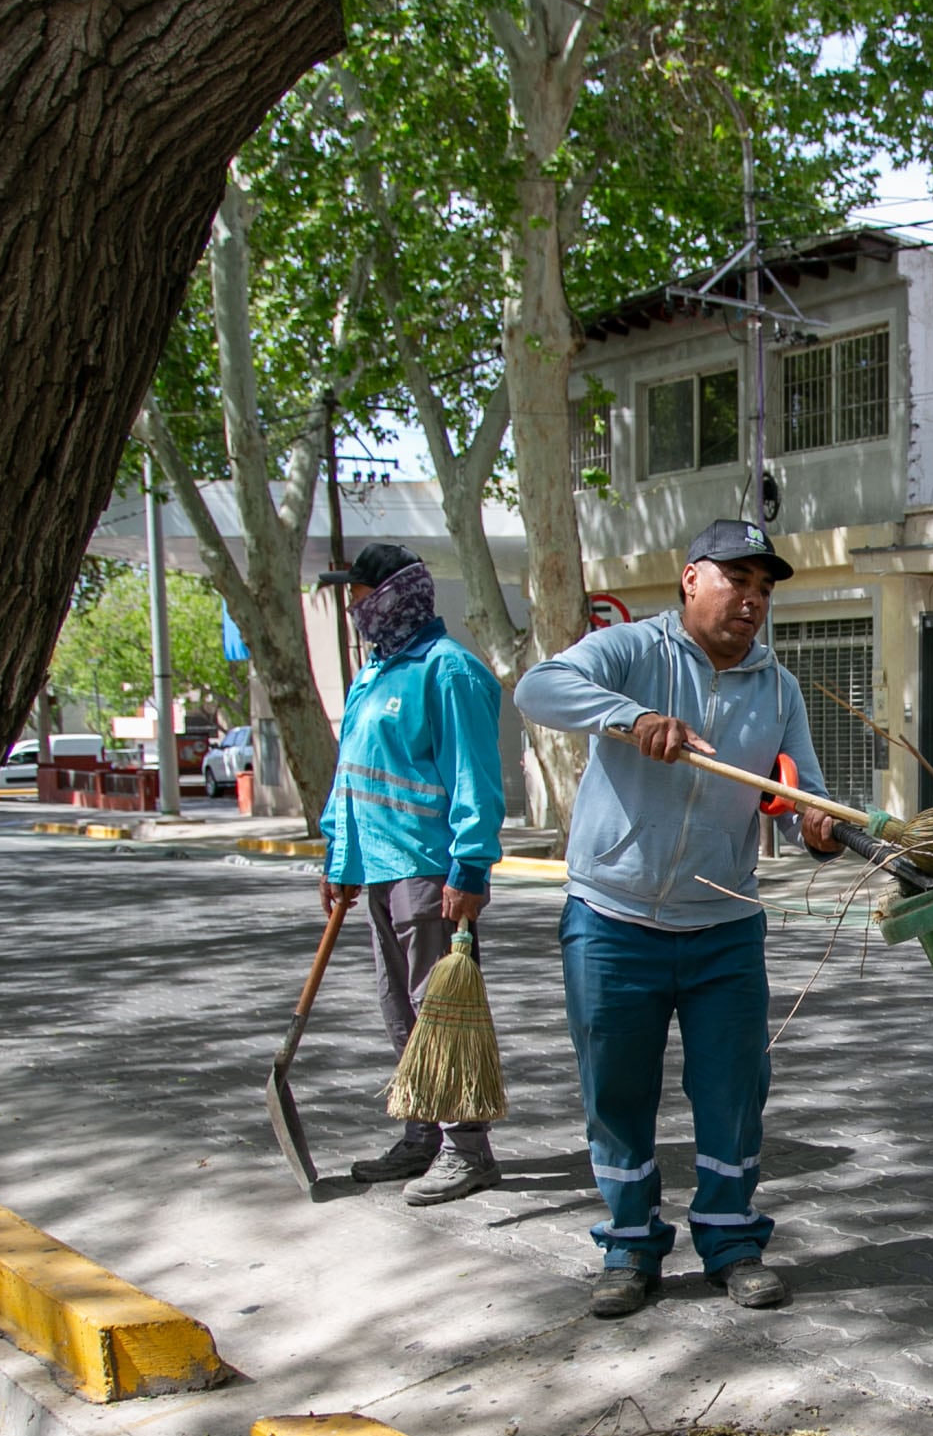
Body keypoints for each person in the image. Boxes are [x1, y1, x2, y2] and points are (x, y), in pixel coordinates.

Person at [512, 520, 838, 1319]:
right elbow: (537, 690)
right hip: (613, 918)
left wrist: (820, 828)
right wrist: (630, 718)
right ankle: (629, 1247)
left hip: (724, 924)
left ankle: (732, 1241)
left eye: (763, 590)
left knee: (733, 1092)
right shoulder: (632, 650)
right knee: (616, 1094)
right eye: (737, 581)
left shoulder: (778, 687)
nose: (752, 601)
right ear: (691, 579)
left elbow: (798, 799)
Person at [317, 542, 510, 1206]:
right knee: (399, 1009)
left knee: (441, 1011)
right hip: (378, 869)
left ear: (395, 594)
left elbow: (474, 781)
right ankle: (420, 1133)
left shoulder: (449, 672)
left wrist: (471, 865)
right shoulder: (372, 677)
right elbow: (350, 780)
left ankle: (469, 1151)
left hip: (430, 872)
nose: (355, 608)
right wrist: (338, 859)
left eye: (362, 595)